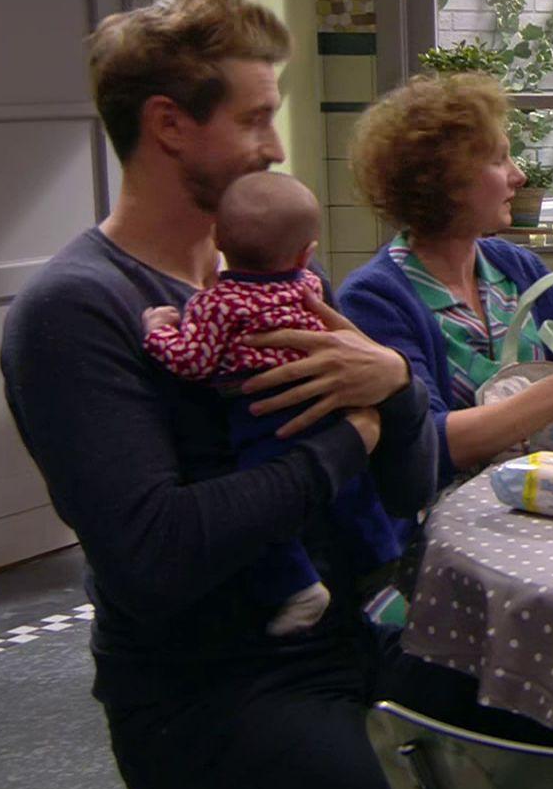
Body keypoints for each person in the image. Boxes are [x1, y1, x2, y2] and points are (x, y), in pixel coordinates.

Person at [0, 0, 553, 789]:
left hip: (357, 645)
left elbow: (408, 481)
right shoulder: (77, 312)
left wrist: (396, 387)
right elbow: (156, 554)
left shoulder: (278, 280)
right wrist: (349, 439)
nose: (276, 147)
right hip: (213, 702)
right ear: (169, 124)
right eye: (255, 119)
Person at [335, 71, 553, 491]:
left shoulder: (514, 266)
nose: (518, 176)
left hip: (548, 497)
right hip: (444, 519)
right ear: (445, 182)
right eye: (500, 160)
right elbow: (430, 445)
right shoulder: (373, 300)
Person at [142, 170, 390, 637]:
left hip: (262, 414)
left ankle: (298, 587)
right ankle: (383, 563)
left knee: (270, 513)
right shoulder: (308, 286)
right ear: (306, 253)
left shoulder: (215, 303)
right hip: (325, 400)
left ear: (217, 238)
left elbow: (193, 362)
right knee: (353, 488)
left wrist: (159, 331)